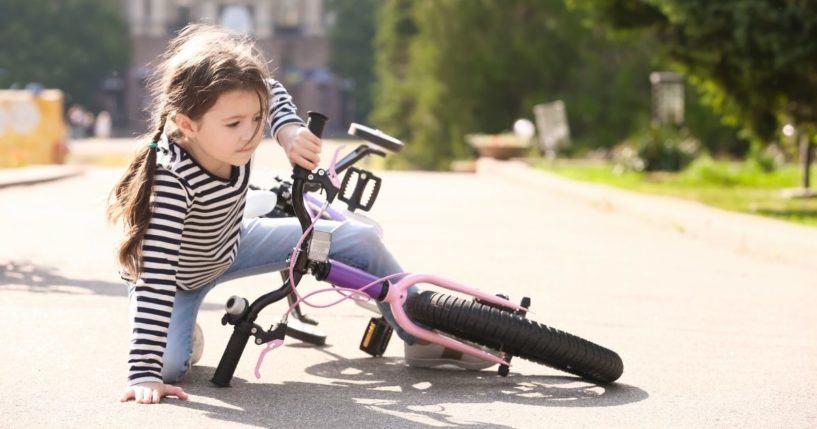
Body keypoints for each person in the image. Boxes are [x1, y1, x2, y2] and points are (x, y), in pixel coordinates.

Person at [107, 24, 488, 405]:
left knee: (359, 239)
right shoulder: (170, 181)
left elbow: (269, 90)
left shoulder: (232, 121)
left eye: (257, 119)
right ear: (187, 125)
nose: (251, 133)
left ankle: (420, 334)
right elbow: (155, 279)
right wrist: (143, 372)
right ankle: (182, 336)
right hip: (174, 277)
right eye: (236, 124)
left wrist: (288, 130)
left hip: (231, 244)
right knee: (168, 367)